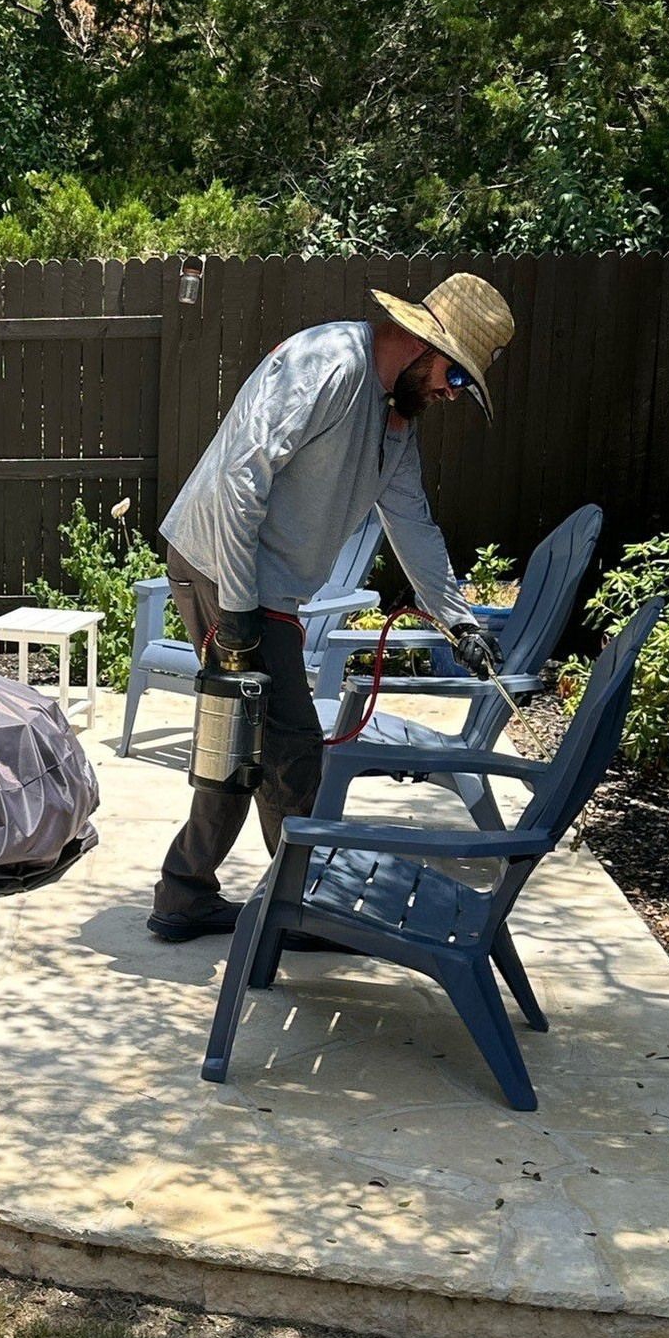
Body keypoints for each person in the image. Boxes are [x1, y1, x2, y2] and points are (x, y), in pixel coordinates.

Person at [148, 271, 515, 941]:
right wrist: (236, 610)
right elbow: (240, 479)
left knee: (242, 741)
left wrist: (457, 617)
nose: (449, 394)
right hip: (220, 564)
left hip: (265, 586)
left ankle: (184, 895)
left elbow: (411, 521)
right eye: (454, 378)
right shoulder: (328, 364)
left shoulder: (395, 420)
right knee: (291, 753)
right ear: (419, 343)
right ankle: (300, 905)